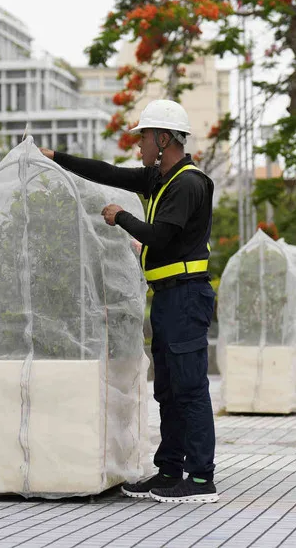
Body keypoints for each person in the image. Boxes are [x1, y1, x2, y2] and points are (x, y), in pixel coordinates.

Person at [40, 99, 218, 504]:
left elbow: (159, 237)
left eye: (144, 138)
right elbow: (108, 172)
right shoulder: (159, 177)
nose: (139, 146)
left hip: (187, 296)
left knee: (189, 388)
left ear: (164, 138)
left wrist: (119, 215)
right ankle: (170, 470)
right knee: (169, 390)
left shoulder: (188, 183)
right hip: (170, 298)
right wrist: (55, 158)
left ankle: (202, 479)